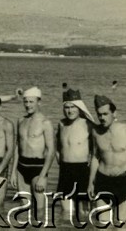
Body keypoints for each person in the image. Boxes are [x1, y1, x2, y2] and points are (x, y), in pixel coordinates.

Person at [10, 87, 55, 212]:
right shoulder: (21, 121)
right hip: (21, 167)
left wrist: (42, 176)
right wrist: (13, 172)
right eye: (26, 102)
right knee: (24, 209)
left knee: (40, 210)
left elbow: (51, 151)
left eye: (31, 102)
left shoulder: (45, 123)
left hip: (38, 167)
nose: (28, 105)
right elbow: (17, 147)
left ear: (39, 102)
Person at [56, 89, 94, 217]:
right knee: (66, 212)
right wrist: (58, 157)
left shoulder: (87, 124)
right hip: (65, 170)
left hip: (82, 170)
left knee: (83, 213)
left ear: (79, 108)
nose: (70, 110)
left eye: (73, 107)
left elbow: (96, 149)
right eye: (67, 107)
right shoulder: (61, 124)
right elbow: (57, 145)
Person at [88, 95, 126, 223]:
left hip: (123, 180)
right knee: (102, 224)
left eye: (105, 114)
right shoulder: (96, 132)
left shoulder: (124, 130)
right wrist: (90, 182)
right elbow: (95, 157)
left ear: (114, 113)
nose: (102, 118)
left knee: (122, 224)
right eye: (99, 115)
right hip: (103, 180)